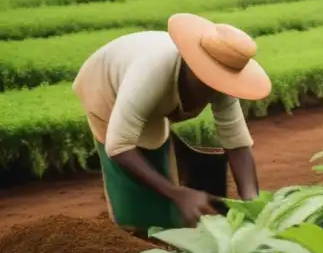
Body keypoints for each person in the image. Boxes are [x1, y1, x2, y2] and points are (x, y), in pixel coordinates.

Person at [72, 14, 272, 232]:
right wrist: (178, 194)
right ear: (192, 66)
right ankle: (131, 231)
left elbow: (237, 144)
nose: (213, 91)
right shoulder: (151, 75)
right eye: (208, 82)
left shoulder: (221, 86)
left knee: (158, 153)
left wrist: (252, 202)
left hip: (143, 85)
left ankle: (173, 203)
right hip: (104, 82)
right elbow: (119, 147)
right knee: (137, 195)